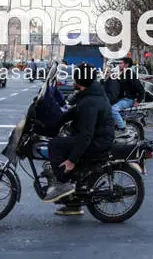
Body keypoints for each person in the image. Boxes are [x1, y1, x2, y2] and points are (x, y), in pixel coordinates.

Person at [42, 63, 115, 202]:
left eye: (75, 78)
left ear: (80, 81)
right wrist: (54, 119)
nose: (73, 80)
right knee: (65, 139)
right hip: (98, 136)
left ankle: (62, 184)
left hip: (98, 141)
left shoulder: (90, 101)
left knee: (55, 144)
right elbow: (74, 111)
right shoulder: (90, 93)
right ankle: (72, 196)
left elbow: (87, 134)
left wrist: (72, 160)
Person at [108, 57, 145, 131]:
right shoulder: (122, 73)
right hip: (121, 98)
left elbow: (141, 89)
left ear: (126, 64)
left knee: (113, 109)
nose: (119, 65)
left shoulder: (130, 74)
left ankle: (122, 128)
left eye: (121, 63)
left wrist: (138, 101)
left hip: (128, 99)